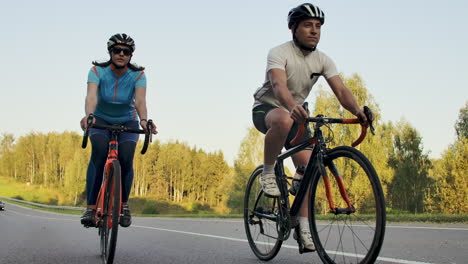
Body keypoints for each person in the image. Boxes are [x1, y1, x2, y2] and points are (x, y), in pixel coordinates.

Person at [252, 3, 370, 251]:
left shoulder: (323, 59)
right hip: (268, 109)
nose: (314, 31)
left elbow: (341, 90)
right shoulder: (279, 52)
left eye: (318, 26)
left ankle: (303, 228)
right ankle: (268, 171)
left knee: (309, 170)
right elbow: (278, 84)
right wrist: (290, 105)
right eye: (307, 25)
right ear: (293, 28)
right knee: (284, 119)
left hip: (298, 116)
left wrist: (358, 111)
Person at [80, 33, 157, 228]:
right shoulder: (97, 71)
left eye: (126, 51)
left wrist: (144, 121)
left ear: (131, 55)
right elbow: (91, 98)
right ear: (110, 52)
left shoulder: (138, 74)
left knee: (126, 155)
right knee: (98, 151)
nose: (121, 54)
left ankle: (123, 205)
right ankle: (90, 207)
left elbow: (140, 101)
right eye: (117, 51)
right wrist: (89, 116)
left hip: (127, 121)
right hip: (101, 119)